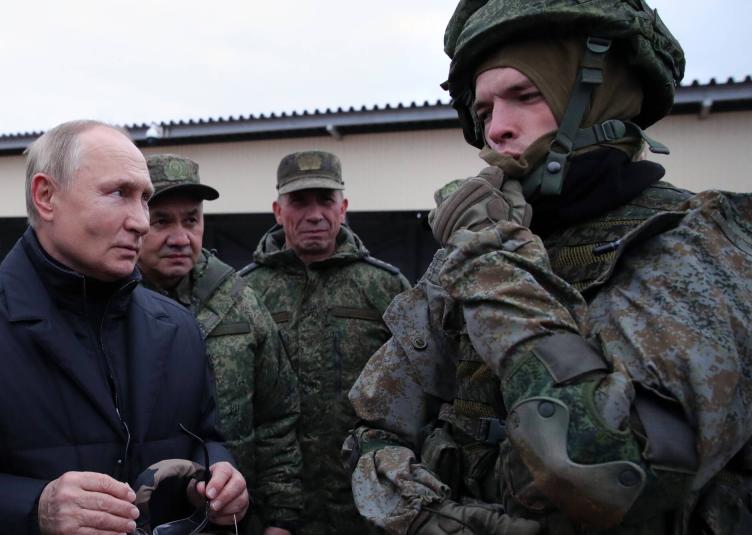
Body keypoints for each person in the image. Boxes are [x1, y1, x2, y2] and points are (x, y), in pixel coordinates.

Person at [345, 2, 752, 534]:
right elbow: (373, 431)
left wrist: (492, 258)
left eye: (525, 96)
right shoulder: (471, 254)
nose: (497, 130)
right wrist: (428, 519)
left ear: (600, 96)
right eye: (485, 111)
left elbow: (609, 471)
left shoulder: (700, 244)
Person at [0, 120, 250, 534]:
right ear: (46, 196)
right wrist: (34, 507)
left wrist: (216, 477)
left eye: (144, 199)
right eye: (119, 193)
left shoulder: (177, 328)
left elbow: (206, 438)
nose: (141, 221)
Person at [239, 150, 410, 535]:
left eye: (326, 200)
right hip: (276, 508)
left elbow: (419, 389)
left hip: (368, 504)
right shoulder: (246, 292)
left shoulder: (384, 286)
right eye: (299, 201)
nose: (315, 214)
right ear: (277, 211)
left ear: (343, 208)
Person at [137, 154, 305, 534]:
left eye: (191, 220)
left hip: (231, 520)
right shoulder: (109, 305)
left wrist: (281, 519)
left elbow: (277, 416)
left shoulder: (237, 300)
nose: (180, 238)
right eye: (161, 221)